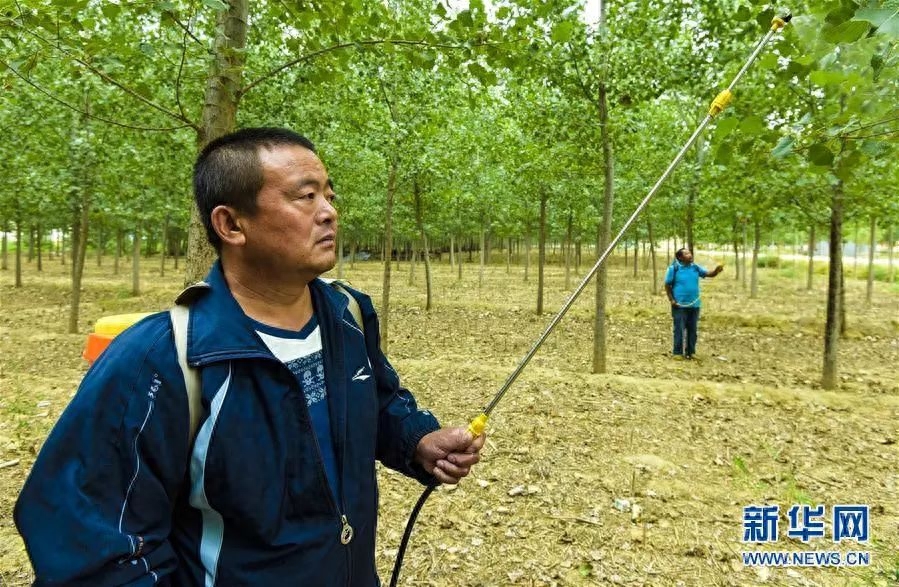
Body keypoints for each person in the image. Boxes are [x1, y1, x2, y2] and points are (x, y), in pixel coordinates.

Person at [14, 127, 485, 586]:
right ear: (232, 224)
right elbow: (95, 544)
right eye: (306, 197)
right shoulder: (162, 359)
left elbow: (378, 401)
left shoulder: (348, 315)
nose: (328, 213)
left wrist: (417, 439)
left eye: (330, 196)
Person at [664, 247, 723, 360]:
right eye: (686, 254)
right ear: (680, 257)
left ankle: (691, 352)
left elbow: (709, 274)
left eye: (690, 253)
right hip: (679, 305)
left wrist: (716, 271)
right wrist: (671, 299)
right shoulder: (674, 269)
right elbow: (667, 285)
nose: (690, 255)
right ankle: (677, 353)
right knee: (679, 329)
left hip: (694, 305)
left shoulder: (695, 267)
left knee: (693, 330)